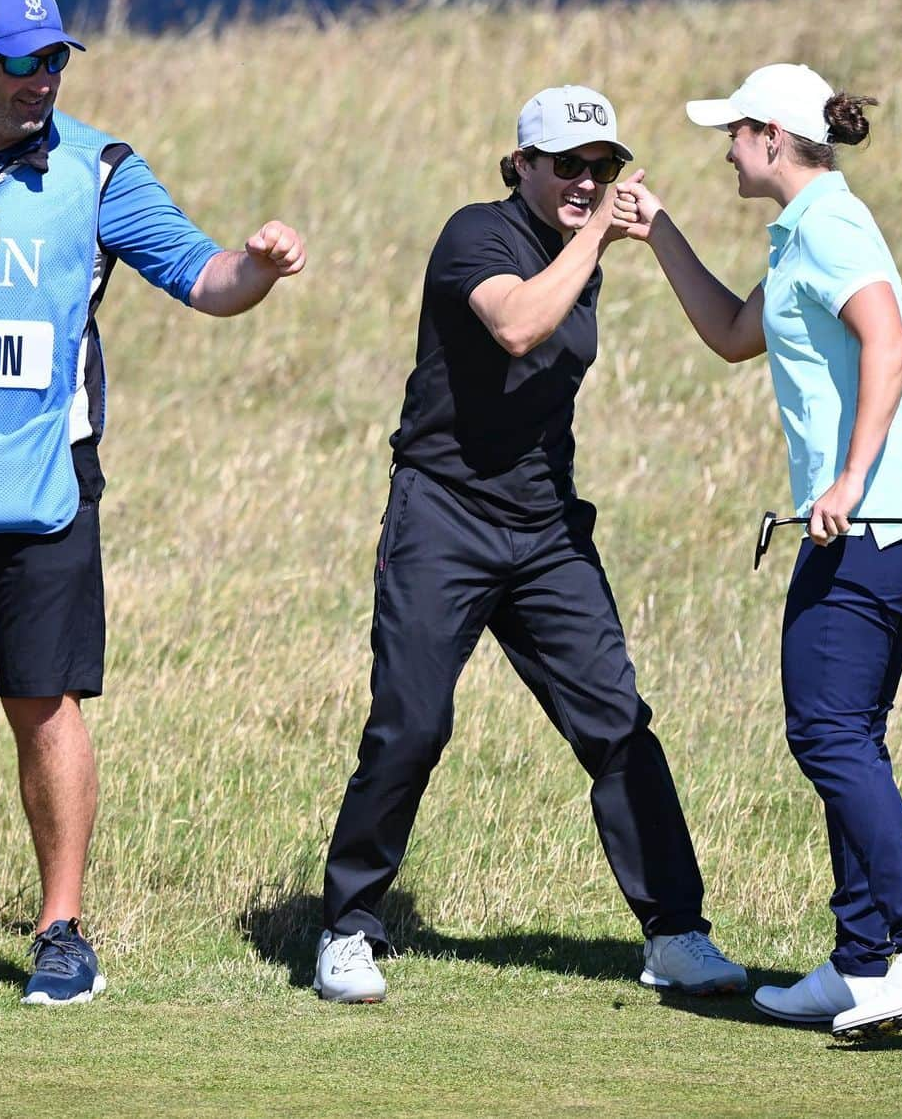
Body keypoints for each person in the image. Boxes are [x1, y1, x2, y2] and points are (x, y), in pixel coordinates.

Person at [313, 84, 747, 1004]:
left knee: (618, 724)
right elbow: (515, 325)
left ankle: (675, 933)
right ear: (522, 166)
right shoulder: (477, 232)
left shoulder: (578, 247)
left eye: (605, 167)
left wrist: (653, 230)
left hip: (546, 528)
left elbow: (722, 331)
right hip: (443, 516)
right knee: (412, 723)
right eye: (570, 167)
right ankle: (348, 926)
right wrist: (595, 236)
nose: (589, 182)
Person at [612, 63, 902, 1040]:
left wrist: (849, 479)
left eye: (735, 132)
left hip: (874, 525)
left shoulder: (830, 224)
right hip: (873, 529)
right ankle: (860, 960)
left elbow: (887, 340)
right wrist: (658, 229)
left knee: (826, 732)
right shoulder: (799, 235)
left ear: (774, 138)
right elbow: (732, 333)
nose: (726, 146)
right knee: (843, 732)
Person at [0, 0, 306, 1004]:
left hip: (45, 478)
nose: (40, 79)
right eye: (18, 61)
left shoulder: (99, 168)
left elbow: (203, 276)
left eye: (55, 58)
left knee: (42, 700)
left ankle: (60, 930)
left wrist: (260, 267)